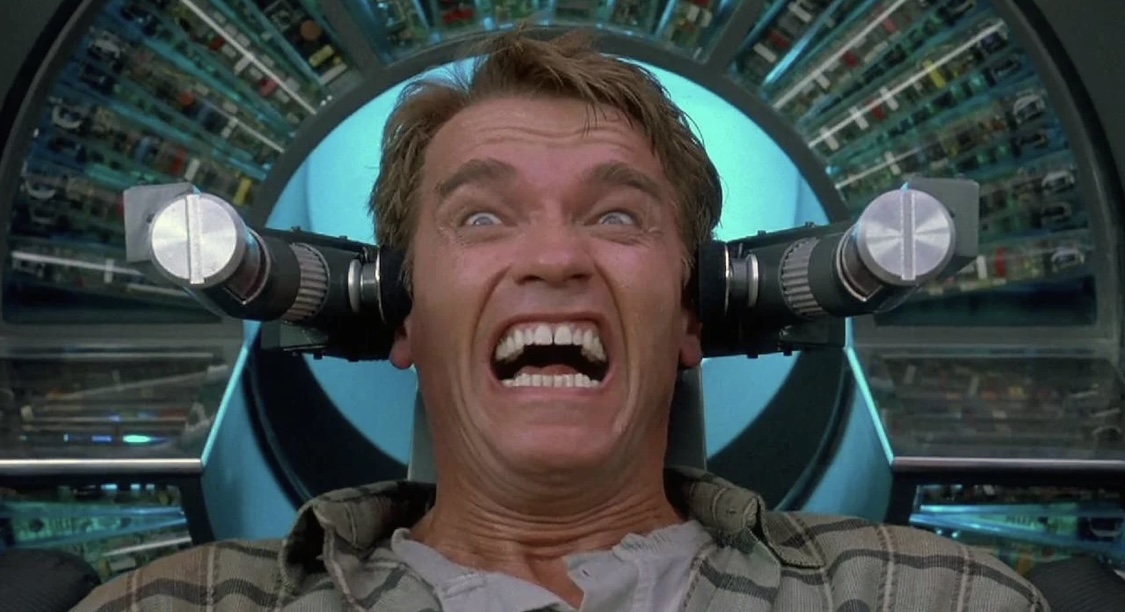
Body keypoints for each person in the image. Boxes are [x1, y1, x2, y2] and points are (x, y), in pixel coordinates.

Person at [74, 28, 1048, 612]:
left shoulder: (933, 598)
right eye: (481, 217)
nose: (554, 257)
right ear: (402, 310)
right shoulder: (177, 605)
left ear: (692, 312)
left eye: (617, 216)